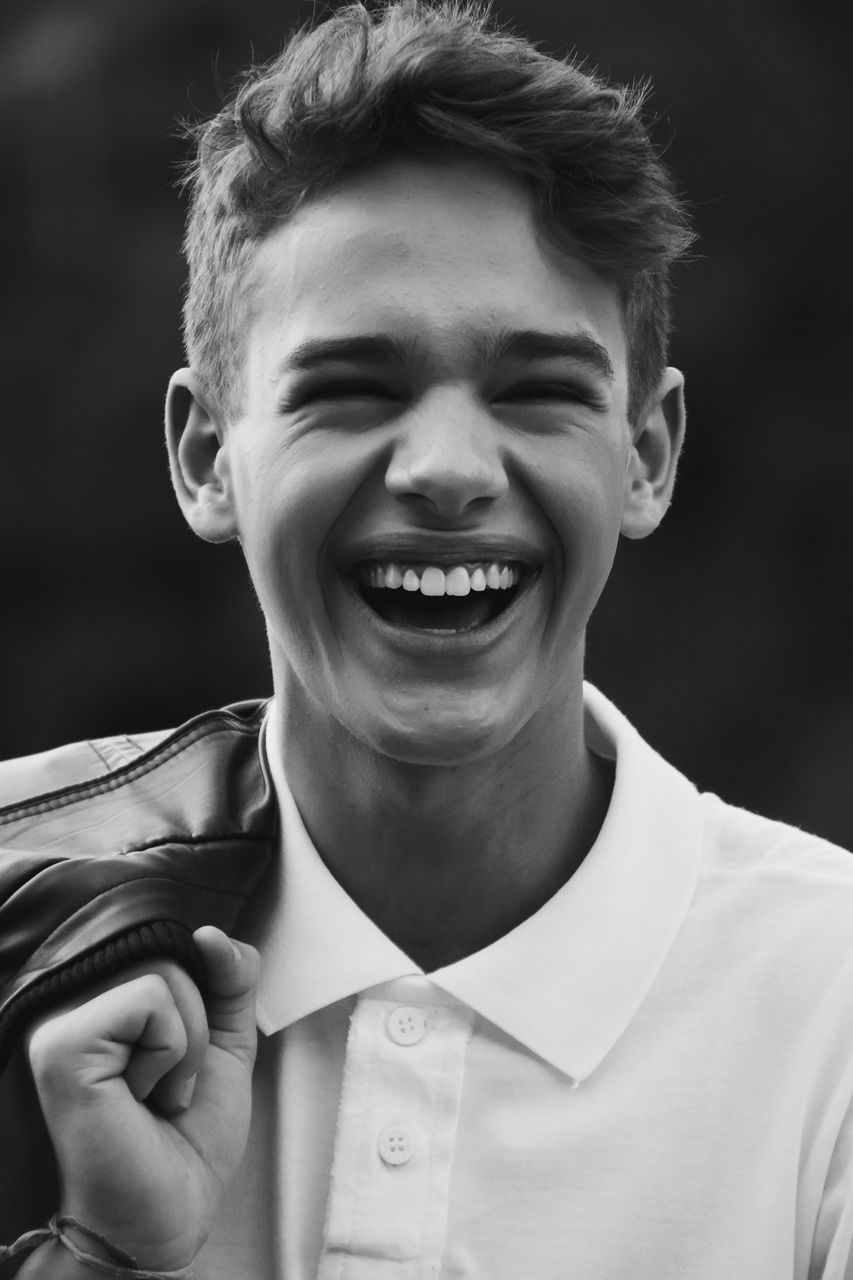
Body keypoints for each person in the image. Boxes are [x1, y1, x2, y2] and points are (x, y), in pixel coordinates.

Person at [2, 1, 852, 1276]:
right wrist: (103, 1258)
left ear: (648, 452)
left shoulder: (830, 998)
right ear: (203, 456)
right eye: (352, 386)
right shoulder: (21, 920)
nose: (449, 468)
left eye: (538, 390)